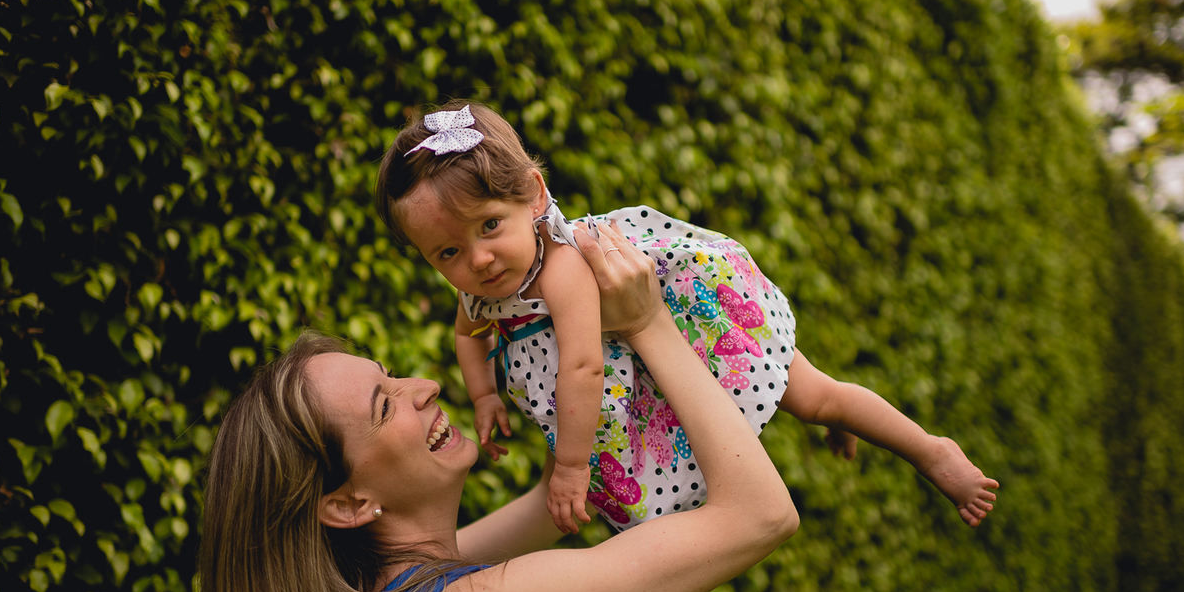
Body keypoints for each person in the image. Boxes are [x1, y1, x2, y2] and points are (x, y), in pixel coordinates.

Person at [198, 223, 799, 592]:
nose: (425, 386)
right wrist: (648, 324)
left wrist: (570, 349)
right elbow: (759, 515)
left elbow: (560, 496)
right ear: (349, 503)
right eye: (385, 406)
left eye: (388, 374)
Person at [375, 100, 999, 534]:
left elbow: (585, 368)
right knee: (798, 405)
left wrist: (569, 469)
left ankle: (929, 449)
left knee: (817, 397)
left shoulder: (560, 269)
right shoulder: (482, 286)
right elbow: (468, 333)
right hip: (643, 377)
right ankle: (833, 419)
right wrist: (484, 396)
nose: (479, 261)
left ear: (535, 196)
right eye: (448, 252)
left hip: (690, 329)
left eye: (490, 227)